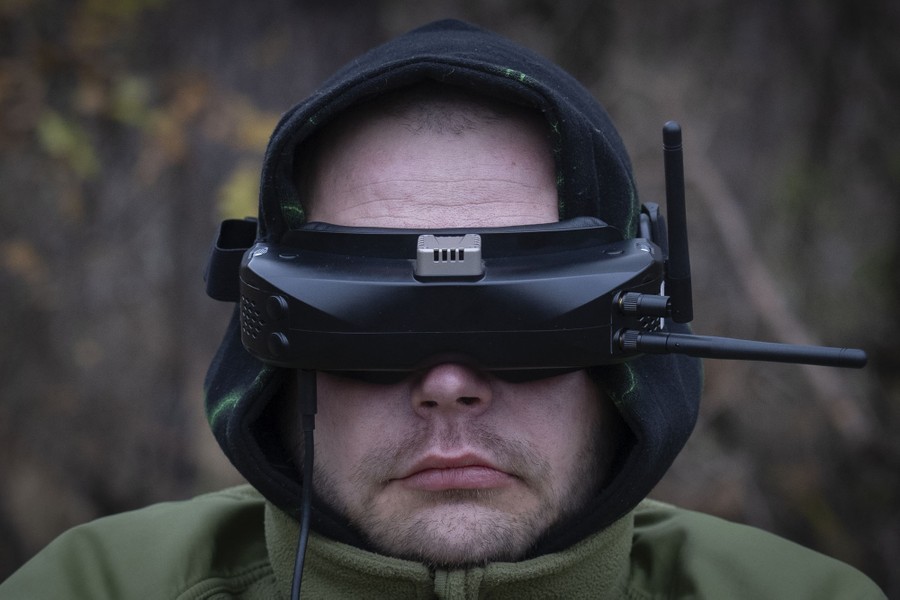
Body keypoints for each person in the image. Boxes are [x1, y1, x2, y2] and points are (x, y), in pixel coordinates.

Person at [0, 19, 885, 599]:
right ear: (272, 337)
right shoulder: (90, 587)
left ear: (632, 339)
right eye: (374, 324)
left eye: (526, 322)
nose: (450, 384)